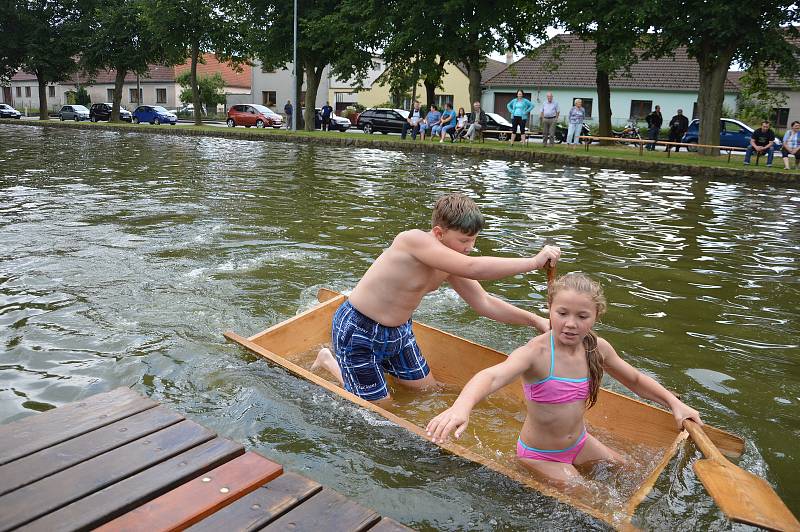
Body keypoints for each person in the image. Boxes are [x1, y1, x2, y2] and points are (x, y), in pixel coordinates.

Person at [426, 273, 703, 484]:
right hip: (540, 454)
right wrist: (462, 406)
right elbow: (492, 376)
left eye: (582, 316)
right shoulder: (536, 353)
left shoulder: (596, 348)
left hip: (580, 442)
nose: (571, 323)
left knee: (631, 471)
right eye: (562, 313)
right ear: (549, 309)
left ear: (596, 316)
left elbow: (635, 379)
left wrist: (674, 403)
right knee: (593, 496)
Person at [311, 193, 561, 403]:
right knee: (381, 409)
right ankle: (330, 362)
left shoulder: (451, 263)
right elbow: (474, 267)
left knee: (428, 393)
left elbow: (483, 302)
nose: (469, 247)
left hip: (399, 333)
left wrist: (535, 321)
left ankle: (367, 373)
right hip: (360, 330)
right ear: (439, 233)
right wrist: (532, 262)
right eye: (464, 240)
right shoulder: (412, 240)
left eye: (473, 240)